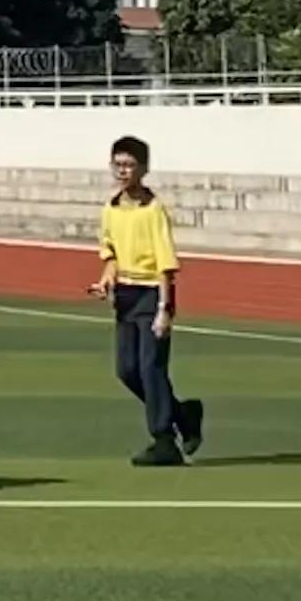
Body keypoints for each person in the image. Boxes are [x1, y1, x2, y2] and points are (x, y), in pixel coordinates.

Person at [91, 134, 200, 467]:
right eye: (118, 164)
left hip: (151, 293)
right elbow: (110, 252)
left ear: (143, 168)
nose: (123, 171)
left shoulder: (153, 210)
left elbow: (166, 264)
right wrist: (106, 278)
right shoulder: (110, 209)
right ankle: (182, 414)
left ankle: (163, 439)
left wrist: (165, 309)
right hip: (125, 295)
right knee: (127, 370)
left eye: (129, 165)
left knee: (151, 368)